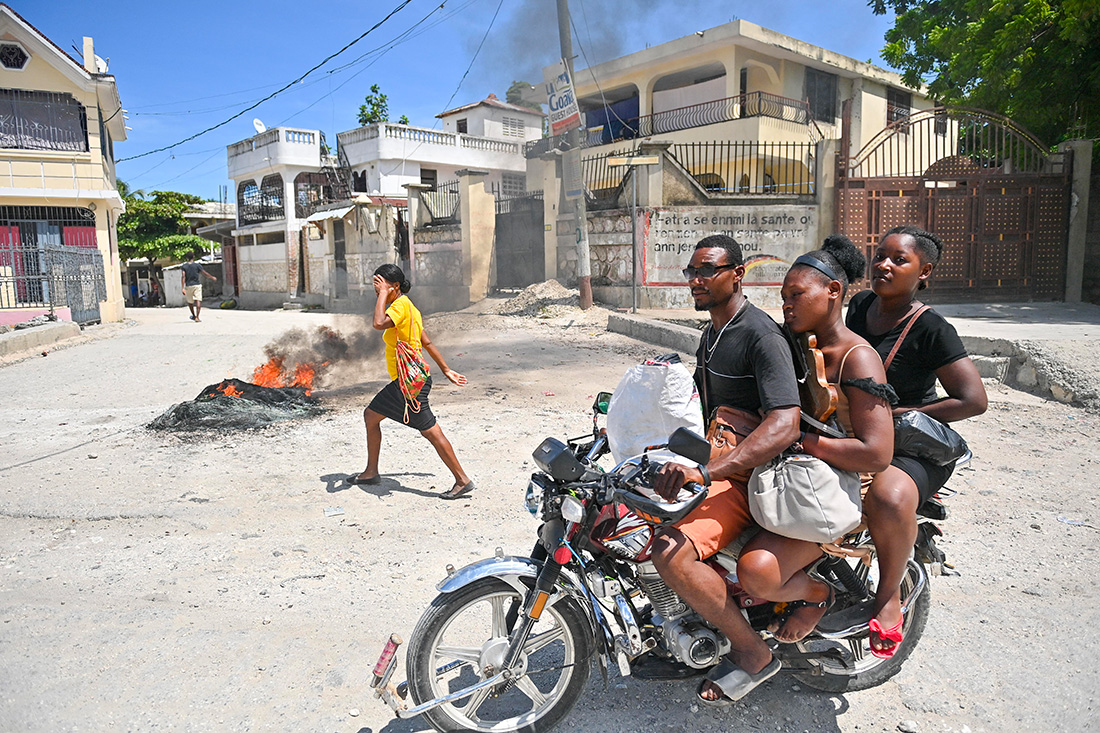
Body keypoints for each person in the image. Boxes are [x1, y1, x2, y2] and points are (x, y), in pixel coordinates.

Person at [650, 234, 801, 706]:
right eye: (691, 272)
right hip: (718, 457)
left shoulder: (760, 334)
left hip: (751, 474)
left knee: (670, 552)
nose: (695, 281)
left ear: (737, 273)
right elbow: (701, 402)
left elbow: (784, 423)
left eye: (707, 271)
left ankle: (753, 652)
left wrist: (712, 473)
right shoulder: (714, 330)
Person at [735, 235, 895, 643]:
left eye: (796, 294)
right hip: (800, 476)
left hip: (841, 487)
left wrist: (803, 442)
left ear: (833, 291)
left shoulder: (856, 356)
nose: (786, 304)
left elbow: (877, 453)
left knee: (757, 570)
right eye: (782, 296)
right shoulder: (797, 345)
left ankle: (818, 596)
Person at [846, 225, 987, 658]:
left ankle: (888, 595)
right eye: (880, 256)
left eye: (899, 260)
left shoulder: (931, 328)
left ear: (923, 272)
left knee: (887, 498)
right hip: (857, 432)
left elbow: (973, 399)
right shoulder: (860, 305)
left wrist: (905, 414)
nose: (883, 265)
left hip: (911, 445)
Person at [349, 264, 475, 500]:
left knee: (431, 431)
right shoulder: (409, 307)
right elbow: (425, 342)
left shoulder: (399, 306)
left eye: (381, 286)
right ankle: (371, 471)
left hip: (408, 384)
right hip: (411, 380)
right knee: (371, 415)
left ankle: (462, 479)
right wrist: (446, 369)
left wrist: (385, 295)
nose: (377, 291)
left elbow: (377, 323)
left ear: (395, 286)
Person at [181, 253, 217, 322]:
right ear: (193, 257)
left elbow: (183, 276)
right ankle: (197, 317)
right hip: (197, 285)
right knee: (198, 300)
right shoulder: (197, 265)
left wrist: (183, 287)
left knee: (190, 302)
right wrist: (212, 277)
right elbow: (204, 273)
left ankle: (193, 315)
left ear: (186, 258)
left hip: (188, 286)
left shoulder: (184, 266)